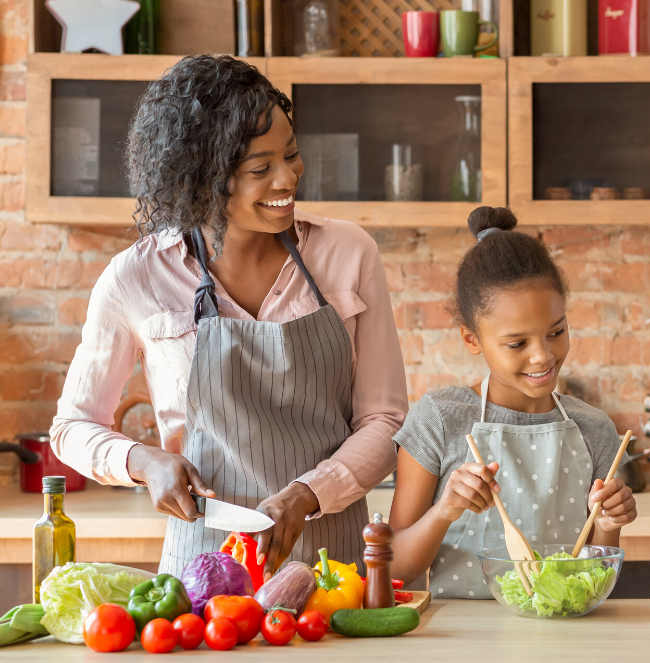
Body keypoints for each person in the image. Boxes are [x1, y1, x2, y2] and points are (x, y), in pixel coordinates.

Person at [51, 55, 407, 577]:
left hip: (334, 573)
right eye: (261, 169)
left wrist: (310, 493)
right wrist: (143, 463)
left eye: (291, 155)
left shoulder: (348, 254)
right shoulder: (136, 278)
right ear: (202, 180)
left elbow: (385, 420)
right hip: (202, 577)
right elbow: (72, 426)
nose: (288, 178)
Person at [388, 206, 636, 598]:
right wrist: (445, 511)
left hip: (563, 638)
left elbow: (598, 572)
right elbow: (394, 567)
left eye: (556, 332)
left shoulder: (595, 429)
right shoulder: (439, 419)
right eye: (517, 343)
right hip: (463, 644)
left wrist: (608, 521)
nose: (543, 355)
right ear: (472, 339)